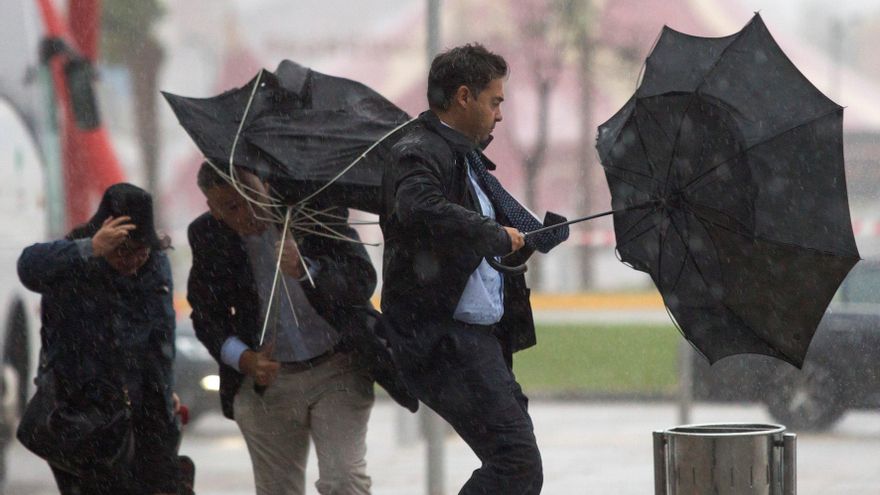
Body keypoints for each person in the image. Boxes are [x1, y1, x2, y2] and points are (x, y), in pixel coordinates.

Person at [380, 43, 547, 494]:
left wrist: (510, 250)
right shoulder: (418, 150)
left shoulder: (462, 155)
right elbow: (420, 208)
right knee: (516, 464)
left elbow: (458, 242)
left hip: (476, 341)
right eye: (495, 101)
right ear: (463, 96)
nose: (499, 114)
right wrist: (493, 234)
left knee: (516, 463)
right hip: (446, 341)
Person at [187, 163, 407, 495]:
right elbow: (206, 314)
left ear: (264, 184)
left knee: (343, 481)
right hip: (267, 383)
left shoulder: (313, 208)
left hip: (337, 368)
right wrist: (243, 358)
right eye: (232, 207)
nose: (247, 212)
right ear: (213, 209)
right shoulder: (208, 235)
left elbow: (361, 278)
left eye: (251, 197)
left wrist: (307, 271)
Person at [17, 183, 181, 495]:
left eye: (141, 252)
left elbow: (161, 340)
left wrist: (164, 394)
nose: (132, 261)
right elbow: (28, 267)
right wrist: (89, 249)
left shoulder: (156, 267)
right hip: (76, 412)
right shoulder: (74, 257)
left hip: (136, 410)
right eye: (122, 251)